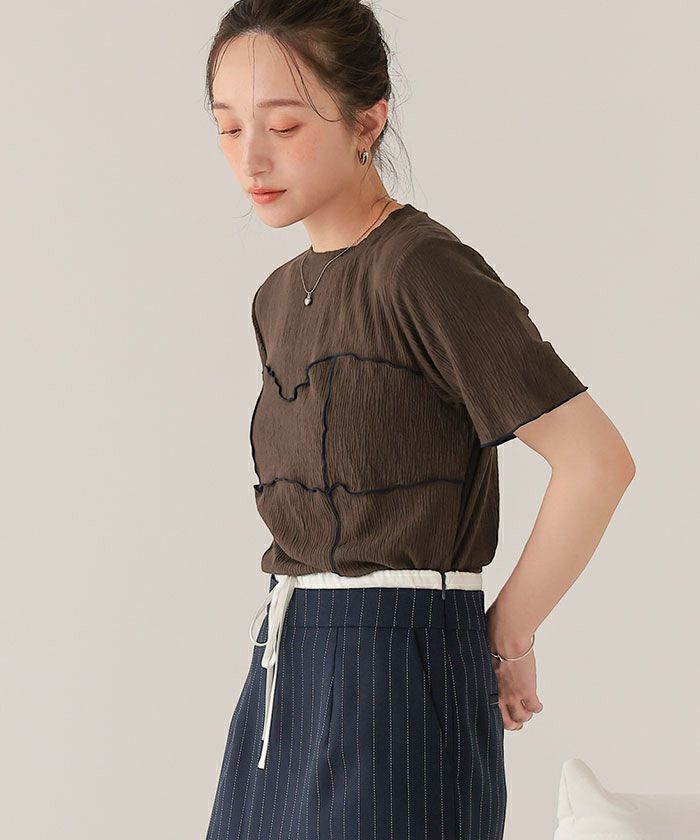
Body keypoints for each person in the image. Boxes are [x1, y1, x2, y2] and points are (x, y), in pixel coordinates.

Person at [202, 2, 636, 838]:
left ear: (368, 121)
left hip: (399, 671)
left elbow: (596, 461)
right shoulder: (277, 298)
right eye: (227, 128)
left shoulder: (422, 270)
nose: (250, 158)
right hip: (282, 671)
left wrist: (505, 635)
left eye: (283, 126)